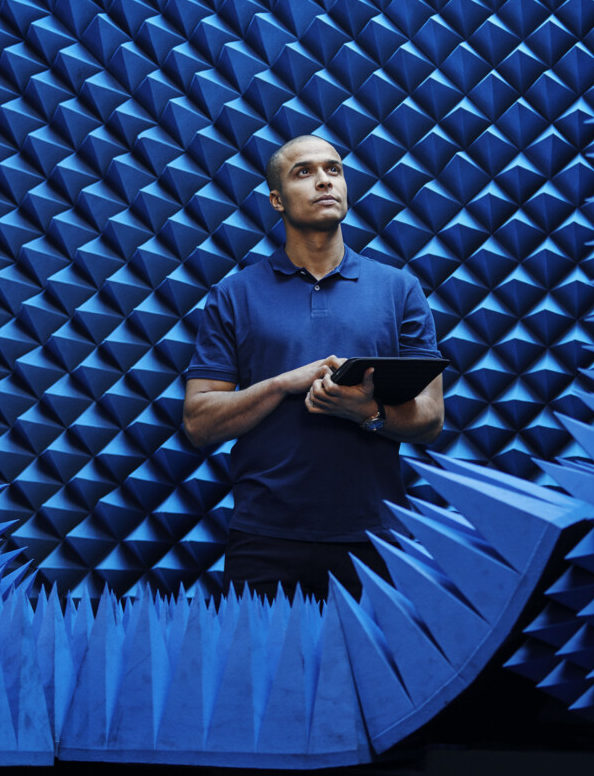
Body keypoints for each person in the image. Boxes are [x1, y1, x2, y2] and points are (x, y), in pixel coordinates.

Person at [181, 134, 445, 602]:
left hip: (376, 537)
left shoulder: (399, 290)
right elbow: (199, 422)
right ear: (276, 200)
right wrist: (283, 384)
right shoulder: (234, 295)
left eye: (333, 169)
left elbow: (431, 420)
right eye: (304, 172)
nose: (324, 180)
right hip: (264, 539)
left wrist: (366, 412)